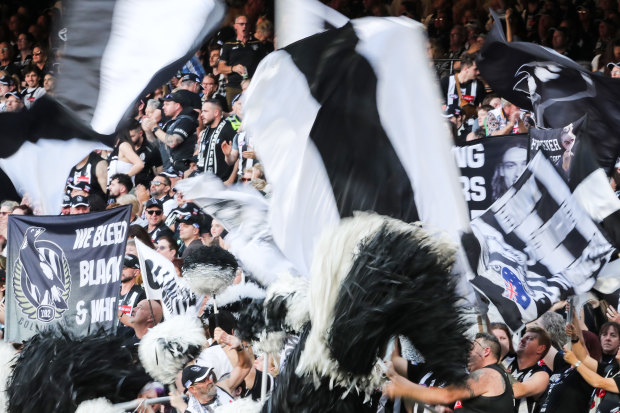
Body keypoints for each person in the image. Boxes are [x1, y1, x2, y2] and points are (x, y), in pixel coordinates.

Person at [384, 332, 514, 412]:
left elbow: (447, 395)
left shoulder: (489, 375)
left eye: (472, 347)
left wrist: (403, 388)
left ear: (486, 351)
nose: (468, 352)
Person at [170, 327, 253, 412]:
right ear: (192, 389)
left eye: (207, 376)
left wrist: (239, 347)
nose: (209, 381)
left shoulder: (222, 386)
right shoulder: (193, 410)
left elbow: (244, 367)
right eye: (203, 380)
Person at [563, 321, 620, 413]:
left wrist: (575, 362)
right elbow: (584, 358)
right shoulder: (611, 368)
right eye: (604, 334)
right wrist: (574, 338)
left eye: (613, 335)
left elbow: (599, 382)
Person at [218, 15, 269, 107]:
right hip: (234, 86)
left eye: (246, 24)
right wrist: (233, 68)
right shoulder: (228, 44)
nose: (244, 26)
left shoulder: (257, 43)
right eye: (241, 24)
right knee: (234, 115)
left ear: (250, 26)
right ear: (235, 26)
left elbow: (266, 64)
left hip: (253, 86)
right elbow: (220, 68)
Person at [141, 92, 198, 171]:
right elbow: (157, 145)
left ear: (177, 106)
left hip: (182, 170)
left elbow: (172, 142)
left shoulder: (186, 120)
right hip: (169, 169)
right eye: (163, 105)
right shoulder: (170, 123)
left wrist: (155, 128)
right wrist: (148, 131)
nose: (163, 107)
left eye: (167, 104)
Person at [508, 326, 551, 413]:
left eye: (529, 339)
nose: (522, 340)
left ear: (540, 348)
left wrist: (496, 365)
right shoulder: (507, 359)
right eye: (522, 337)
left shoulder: (542, 375)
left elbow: (518, 391)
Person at [196, 99, 237, 183]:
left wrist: (231, 180)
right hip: (205, 181)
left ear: (216, 113)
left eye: (205, 111)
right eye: (202, 111)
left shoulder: (228, 129)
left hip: (222, 183)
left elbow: (238, 158)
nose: (202, 115)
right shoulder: (205, 132)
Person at [116, 254, 147, 339]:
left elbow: (141, 324)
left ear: (136, 272)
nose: (120, 270)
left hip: (129, 343)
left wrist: (117, 313)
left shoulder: (142, 294)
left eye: (124, 267)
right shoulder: (112, 292)